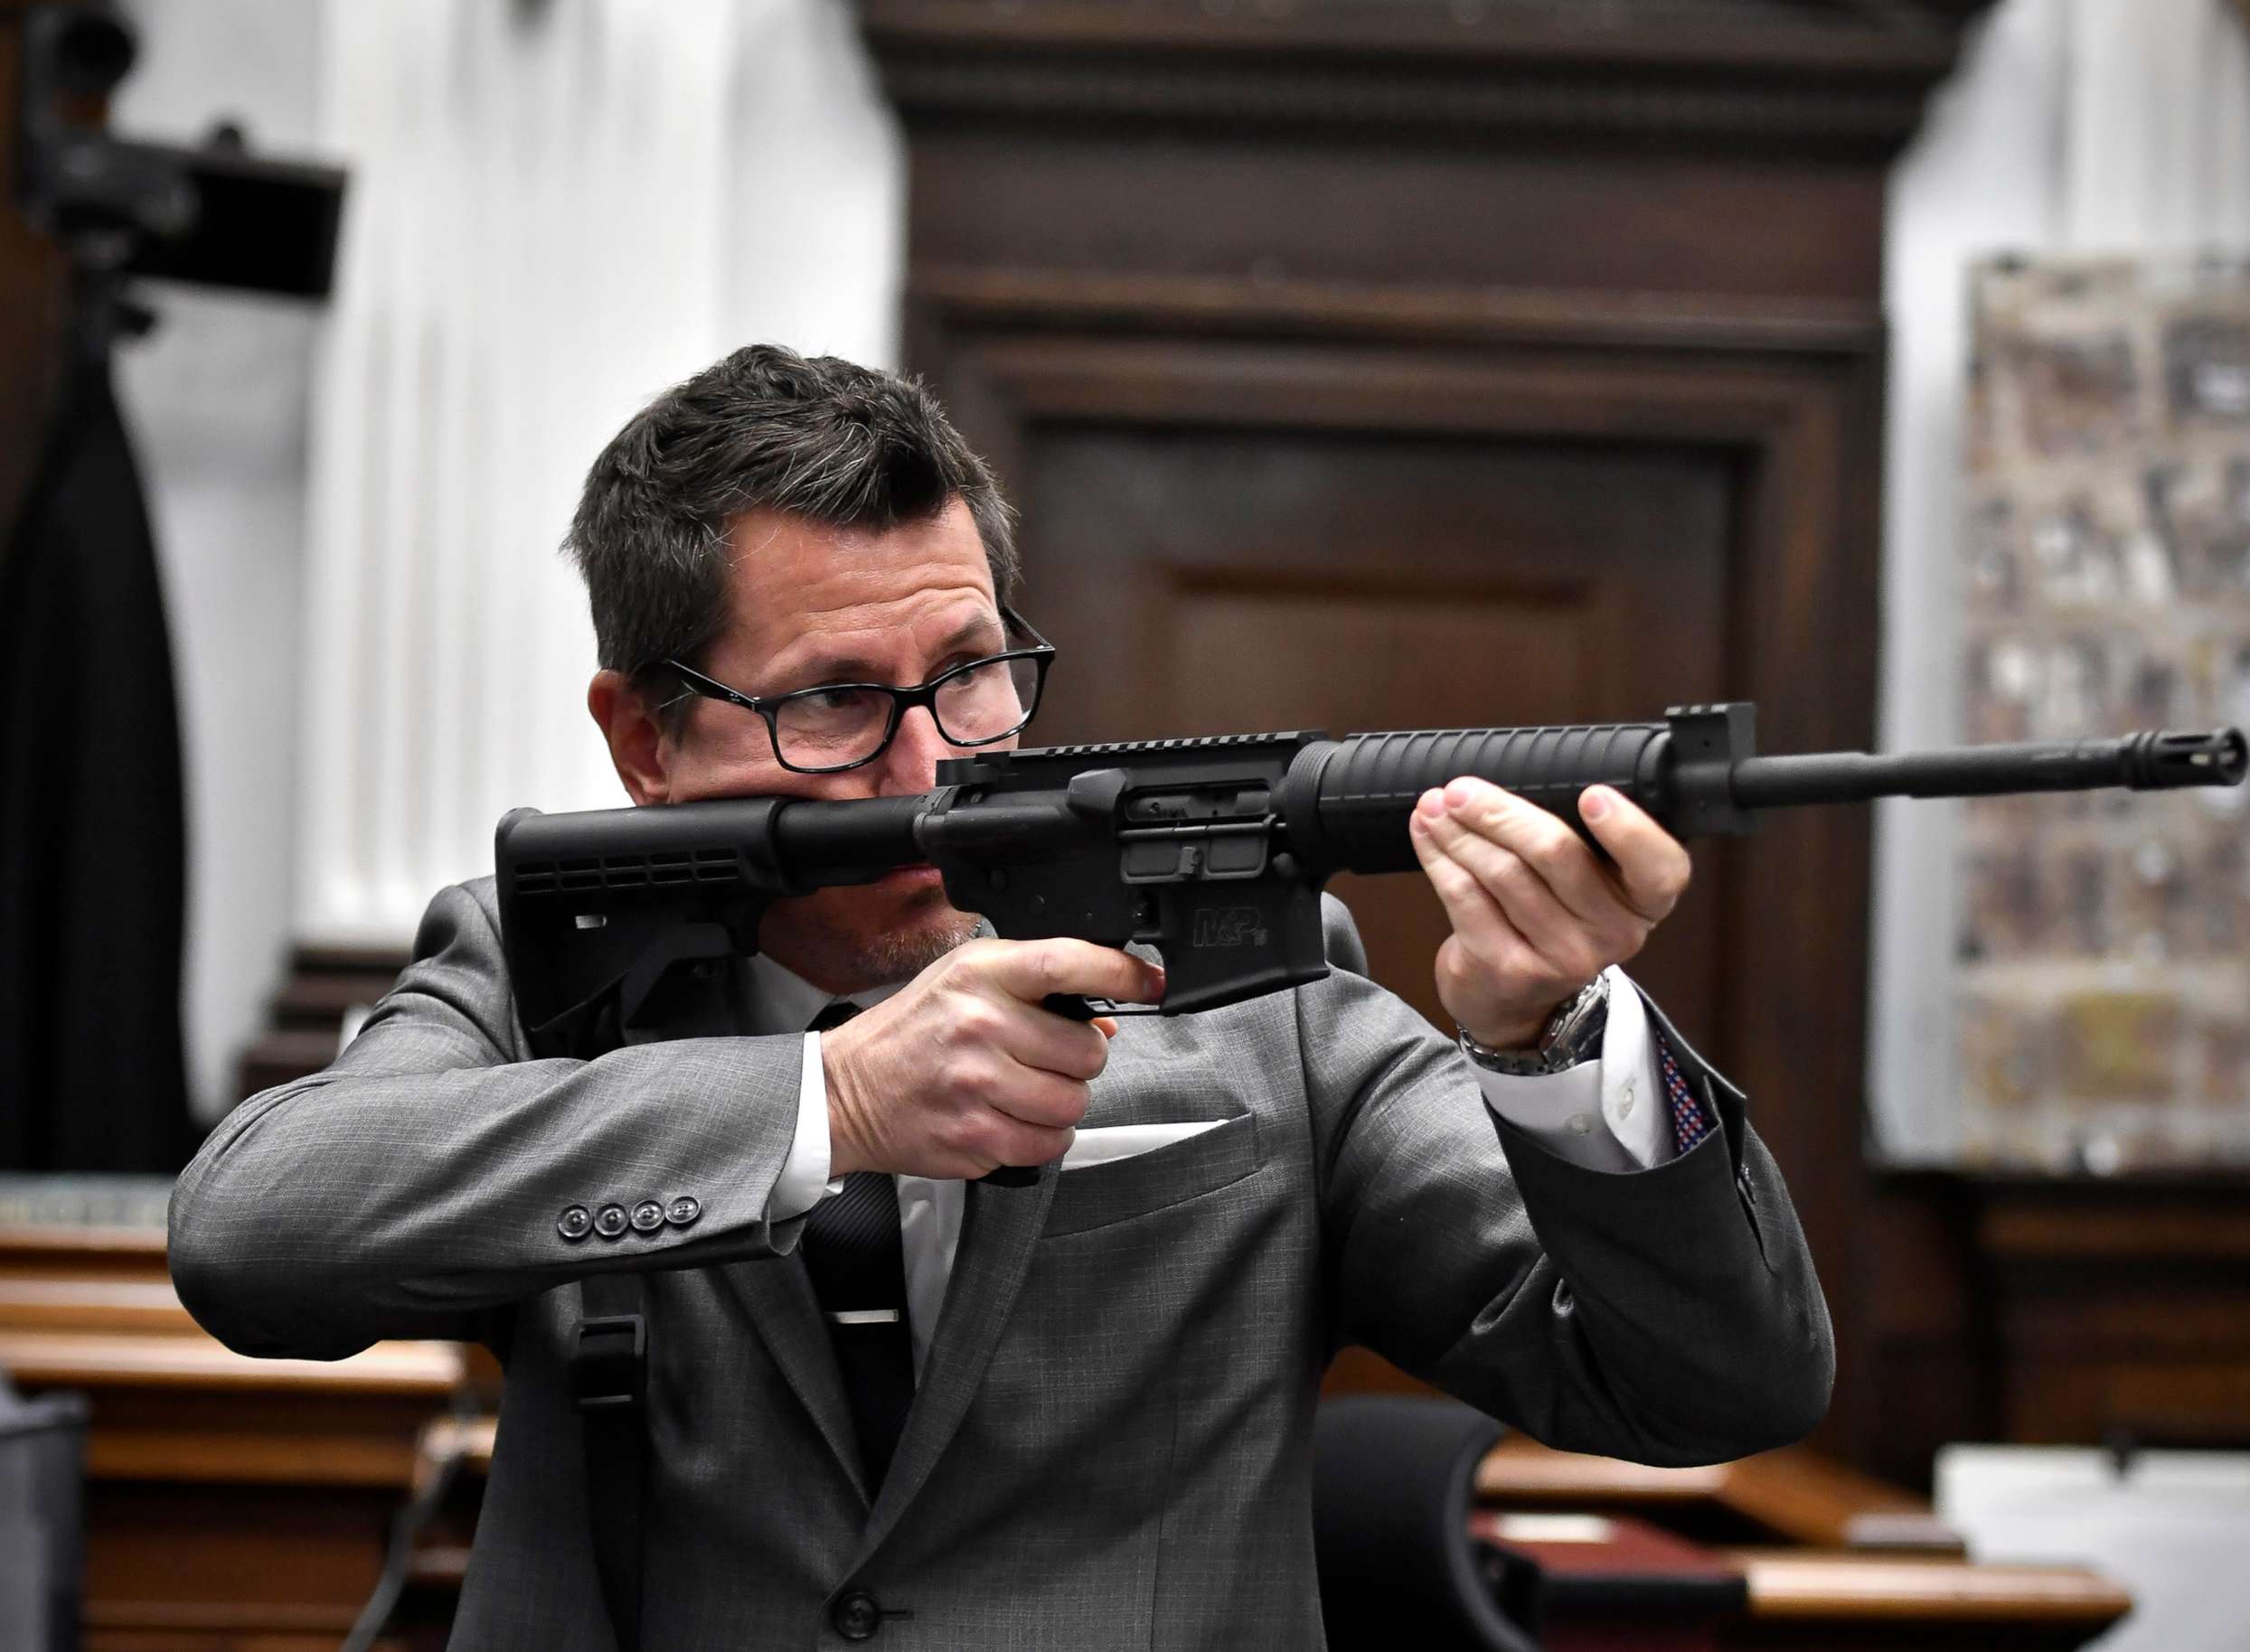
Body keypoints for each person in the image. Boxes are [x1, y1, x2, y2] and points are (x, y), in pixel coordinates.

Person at [170, 345, 1831, 1649]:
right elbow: (254, 1234)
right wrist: (825, 1109)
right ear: (639, 741)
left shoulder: (1256, 989)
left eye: (970, 672)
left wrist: (1553, 1039)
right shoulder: (538, 970)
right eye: (833, 702)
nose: (932, 761)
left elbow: (1711, 1390)